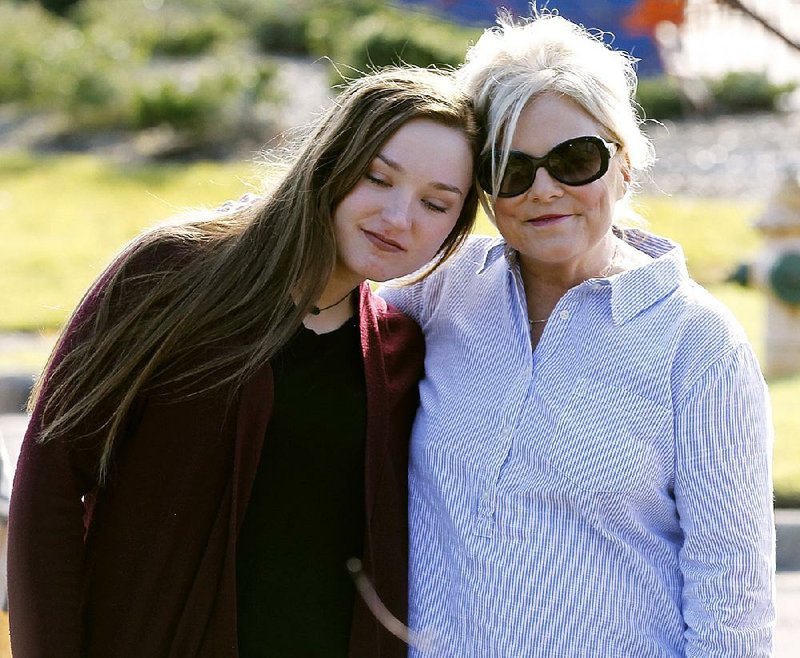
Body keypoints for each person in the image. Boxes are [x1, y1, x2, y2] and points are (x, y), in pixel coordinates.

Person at [8, 66, 481, 658]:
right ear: (329, 161)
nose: (399, 218)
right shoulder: (172, 275)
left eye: (436, 204)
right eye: (377, 178)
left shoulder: (403, 350)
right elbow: (50, 477)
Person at [380, 13, 775, 657]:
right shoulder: (439, 294)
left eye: (574, 160)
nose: (543, 190)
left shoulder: (698, 345)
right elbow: (320, 299)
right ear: (483, 188)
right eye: (512, 168)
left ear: (622, 164)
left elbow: (732, 602)